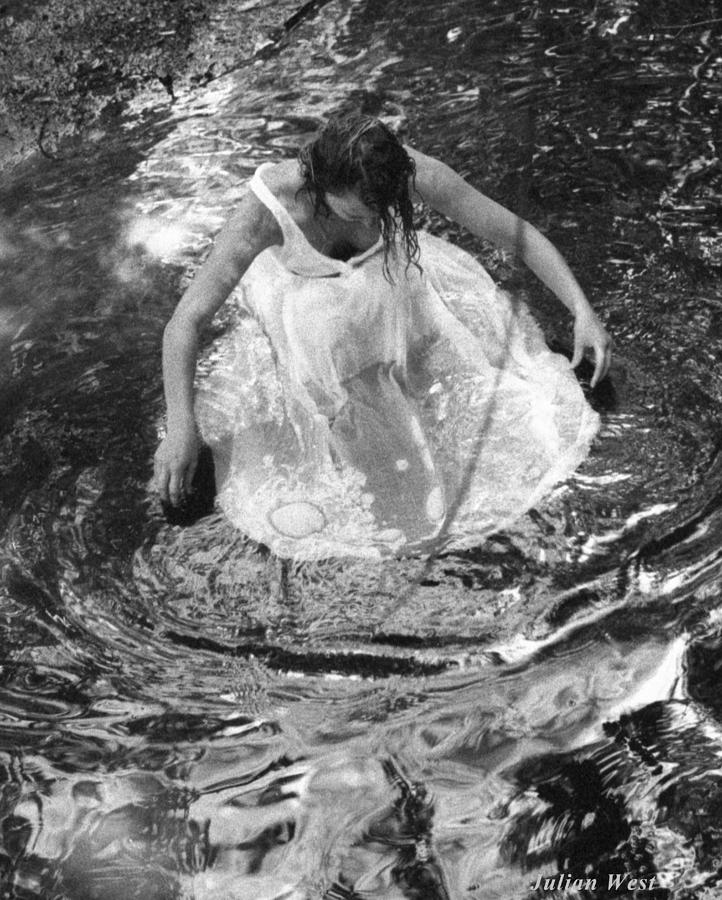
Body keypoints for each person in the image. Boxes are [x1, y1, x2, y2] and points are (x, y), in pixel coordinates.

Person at [154, 113, 611, 558]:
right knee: (339, 432)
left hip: (391, 284)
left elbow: (516, 234)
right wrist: (180, 427)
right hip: (311, 305)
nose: (369, 221)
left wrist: (581, 309)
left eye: (380, 208)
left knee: (484, 395)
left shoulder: (396, 169)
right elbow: (185, 323)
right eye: (355, 211)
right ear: (320, 187)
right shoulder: (267, 210)